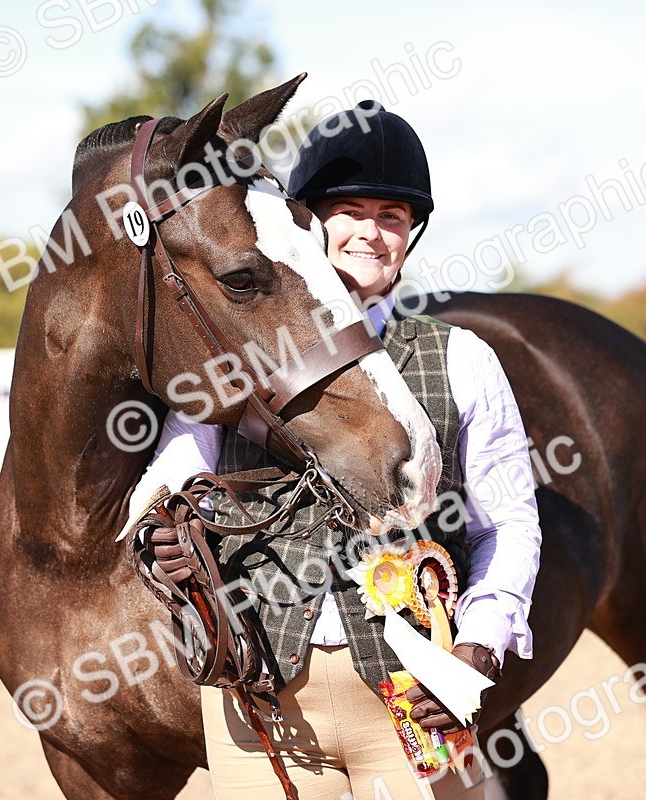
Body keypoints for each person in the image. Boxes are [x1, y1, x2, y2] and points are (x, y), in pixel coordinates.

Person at [127, 101, 542, 799]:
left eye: (393, 216)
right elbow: (174, 475)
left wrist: (475, 655)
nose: (372, 234)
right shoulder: (238, 347)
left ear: (412, 234)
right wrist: (166, 533)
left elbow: (506, 525)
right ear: (308, 222)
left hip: (411, 700)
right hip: (258, 702)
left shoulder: (461, 359)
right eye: (350, 211)